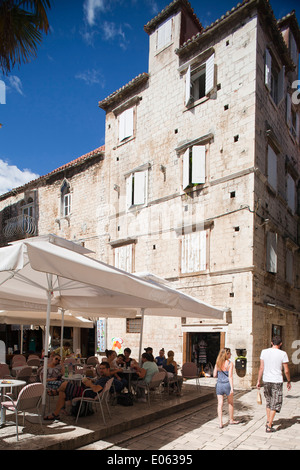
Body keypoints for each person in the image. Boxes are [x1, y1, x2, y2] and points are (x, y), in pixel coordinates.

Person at [44, 361, 112, 420]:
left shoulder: (104, 379)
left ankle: (56, 392)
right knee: (63, 392)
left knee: (65, 384)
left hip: (86, 393)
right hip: (86, 391)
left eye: (103, 369)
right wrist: (91, 380)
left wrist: (90, 384)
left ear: (108, 369)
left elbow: (96, 389)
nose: (101, 370)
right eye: (100, 369)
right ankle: (55, 414)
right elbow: (97, 386)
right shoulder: (104, 378)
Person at [256, 336, 291, 433]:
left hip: (266, 380)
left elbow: (261, 368)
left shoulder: (264, 352)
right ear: (281, 344)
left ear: (271, 342)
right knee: (275, 403)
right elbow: (286, 370)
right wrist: (288, 381)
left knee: (269, 401)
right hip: (277, 380)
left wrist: (258, 381)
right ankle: (269, 425)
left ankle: (268, 420)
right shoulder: (283, 354)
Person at [213, 348, 239, 428]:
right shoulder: (230, 364)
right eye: (229, 353)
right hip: (227, 384)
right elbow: (230, 377)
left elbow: (214, 375)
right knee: (230, 403)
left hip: (219, 385)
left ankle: (220, 423)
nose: (230, 355)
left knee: (220, 403)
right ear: (226, 354)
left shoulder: (217, 363)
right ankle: (231, 420)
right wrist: (232, 388)